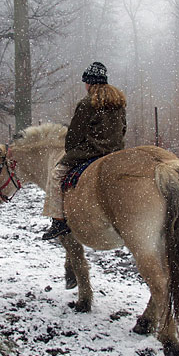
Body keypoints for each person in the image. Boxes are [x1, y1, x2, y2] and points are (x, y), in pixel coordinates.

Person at [42, 62, 127, 240]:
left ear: (90, 82)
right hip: (116, 152)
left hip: (90, 152)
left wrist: (73, 151)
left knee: (57, 174)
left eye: (85, 82)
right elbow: (123, 129)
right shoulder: (118, 102)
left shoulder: (87, 103)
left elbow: (73, 135)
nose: (85, 86)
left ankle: (58, 221)